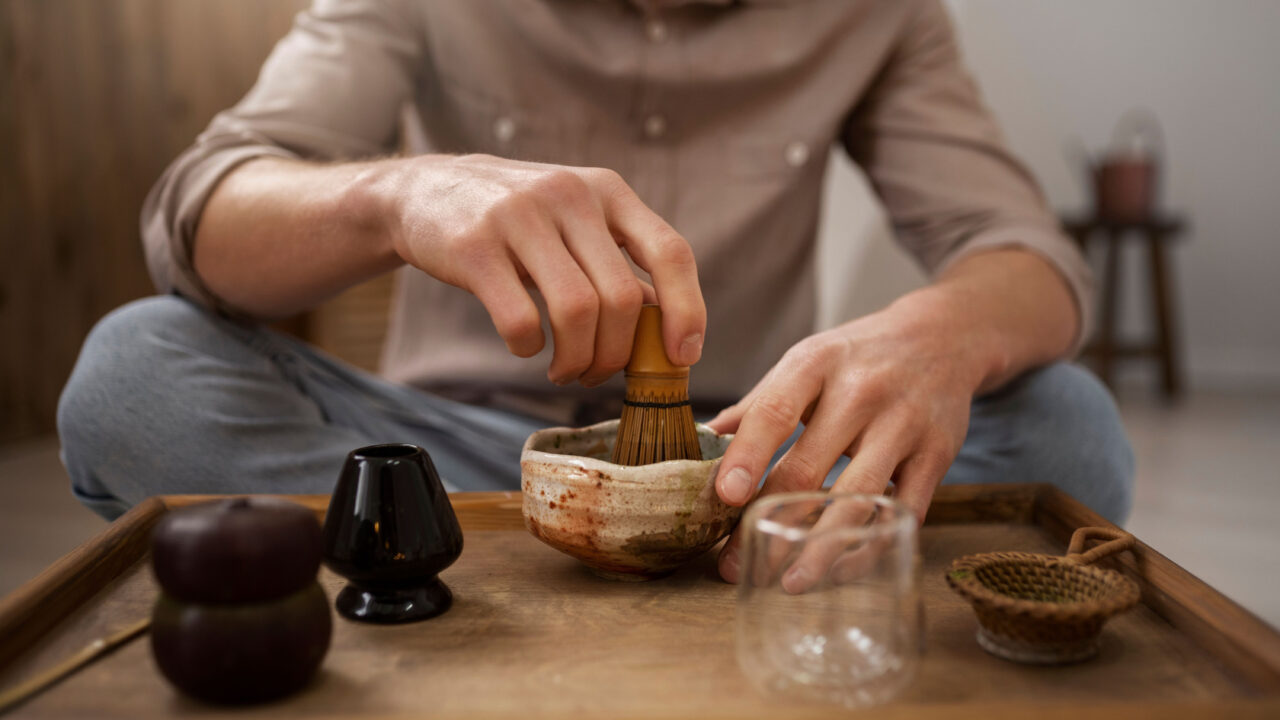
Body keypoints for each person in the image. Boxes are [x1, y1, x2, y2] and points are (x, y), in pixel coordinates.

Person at [58, 0, 1133, 583]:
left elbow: (1019, 249)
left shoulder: (878, 13)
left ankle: (477, 586)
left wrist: (936, 329)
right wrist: (398, 195)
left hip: (740, 466)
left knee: (1067, 423)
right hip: (468, 463)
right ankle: (708, 584)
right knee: (135, 371)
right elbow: (199, 214)